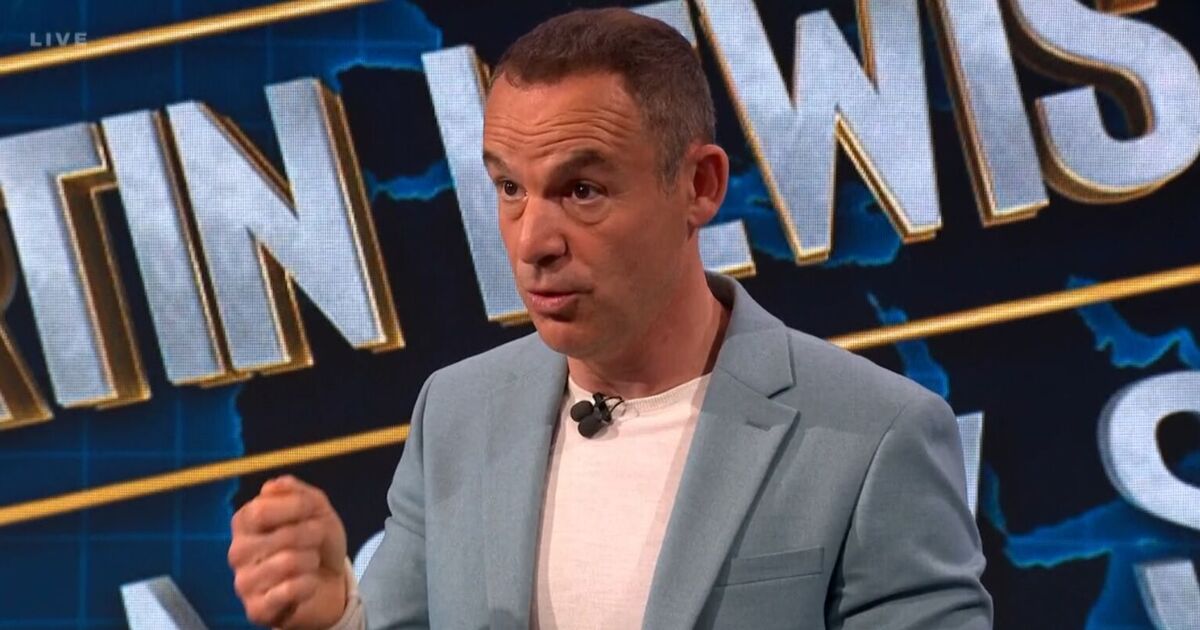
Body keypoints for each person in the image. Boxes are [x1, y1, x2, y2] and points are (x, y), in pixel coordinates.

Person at [228, 7, 993, 629]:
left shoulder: (875, 435)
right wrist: (333, 618)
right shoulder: (456, 412)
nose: (532, 242)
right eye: (510, 188)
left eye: (582, 190)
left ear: (699, 186)